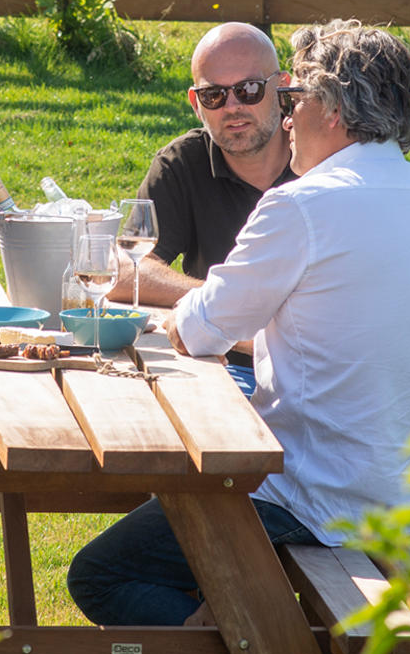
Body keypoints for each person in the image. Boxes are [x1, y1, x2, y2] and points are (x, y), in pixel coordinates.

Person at [67, 20, 410, 654]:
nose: (287, 117)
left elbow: (199, 331)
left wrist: (161, 316)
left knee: (103, 574)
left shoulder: (302, 204)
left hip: (322, 493)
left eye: (293, 98)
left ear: (333, 108)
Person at [111, 22, 298, 395]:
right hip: (223, 369)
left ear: (282, 88)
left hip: (311, 374)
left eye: (248, 89)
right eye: (214, 95)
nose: (232, 107)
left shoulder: (320, 162)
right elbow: (123, 269)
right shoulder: (184, 163)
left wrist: (223, 316)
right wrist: (217, 304)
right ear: (197, 105)